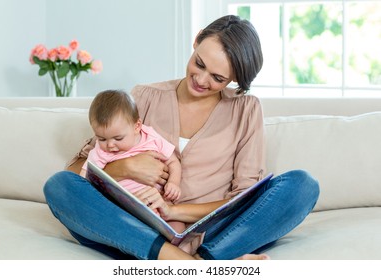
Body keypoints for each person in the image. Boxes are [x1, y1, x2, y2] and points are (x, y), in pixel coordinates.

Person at [43, 15, 319, 260]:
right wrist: (122, 168)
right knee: (59, 186)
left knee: (302, 186)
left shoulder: (246, 108)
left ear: (234, 79)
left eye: (218, 78)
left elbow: (243, 198)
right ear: (196, 40)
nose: (200, 80)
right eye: (199, 63)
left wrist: (175, 211)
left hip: (212, 231)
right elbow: (76, 175)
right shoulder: (144, 96)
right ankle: (195, 265)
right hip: (137, 226)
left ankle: (185, 259)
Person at [79, 89, 194, 253]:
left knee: (178, 228)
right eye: (102, 139)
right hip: (125, 208)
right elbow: (84, 180)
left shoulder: (151, 138)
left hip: (159, 204)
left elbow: (173, 161)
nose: (110, 145)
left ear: (137, 126)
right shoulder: (100, 152)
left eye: (118, 138)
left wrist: (174, 183)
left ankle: (177, 256)